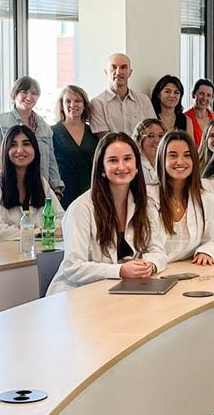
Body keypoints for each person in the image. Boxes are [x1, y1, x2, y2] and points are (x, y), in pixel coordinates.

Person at [45, 133, 168, 294]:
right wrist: (120, 271)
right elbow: (73, 267)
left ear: (137, 166)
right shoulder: (81, 208)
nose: (122, 166)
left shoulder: (146, 205)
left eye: (127, 159)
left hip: (121, 290)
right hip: (77, 294)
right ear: (102, 168)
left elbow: (158, 251)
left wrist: (149, 266)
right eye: (113, 160)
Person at [0, 125, 65, 242]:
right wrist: (39, 231)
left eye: (26, 144)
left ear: (35, 149)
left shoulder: (41, 183)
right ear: (5, 150)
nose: (20, 150)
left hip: (37, 253)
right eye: (13, 145)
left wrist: (30, 231)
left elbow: (63, 220)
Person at [153, 131, 214, 266]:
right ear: (161, 159)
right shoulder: (149, 196)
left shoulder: (205, 198)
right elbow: (148, 248)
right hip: (153, 272)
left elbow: (213, 240)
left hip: (190, 271)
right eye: (172, 155)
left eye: (187, 155)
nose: (180, 161)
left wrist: (205, 251)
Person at [0, 77, 63, 196]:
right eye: (24, 92)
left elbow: (51, 161)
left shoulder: (44, 127)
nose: (29, 97)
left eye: (34, 93)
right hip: (10, 190)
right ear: (15, 94)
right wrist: (14, 177)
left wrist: (56, 189)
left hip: (40, 190)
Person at [51, 85, 98, 205]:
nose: (73, 105)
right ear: (62, 105)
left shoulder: (94, 131)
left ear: (84, 105)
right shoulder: (52, 132)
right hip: (63, 192)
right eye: (68, 101)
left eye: (78, 100)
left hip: (90, 190)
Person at [89, 53, 156, 134]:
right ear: (106, 72)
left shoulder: (143, 100)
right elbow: (104, 139)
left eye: (123, 67)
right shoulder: (97, 103)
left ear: (130, 73)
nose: (118, 72)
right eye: (113, 67)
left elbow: (153, 132)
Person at [185, 79, 214, 148]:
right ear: (193, 94)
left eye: (208, 95)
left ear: (212, 98)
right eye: (201, 94)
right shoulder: (184, 118)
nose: (205, 98)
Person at [133, 118, 167, 189]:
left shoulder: (167, 162)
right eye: (151, 136)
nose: (157, 140)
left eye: (161, 136)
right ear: (139, 139)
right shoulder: (135, 165)